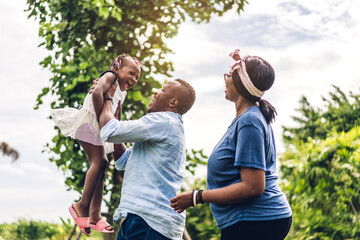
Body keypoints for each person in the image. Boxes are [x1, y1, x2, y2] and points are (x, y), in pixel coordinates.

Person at [170, 49, 292, 240]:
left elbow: (253, 187)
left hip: (255, 221)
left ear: (240, 82)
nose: (225, 80)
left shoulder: (249, 121)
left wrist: (197, 197)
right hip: (253, 221)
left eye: (228, 75)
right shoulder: (247, 119)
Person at [50, 54, 141, 236]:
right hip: (90, 123)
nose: (133, 79)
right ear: (117, 68)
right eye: (131, 73)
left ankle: (95, 215)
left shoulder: (121, 91)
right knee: (100, 163)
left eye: (137, 77)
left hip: (98, 127)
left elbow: (116, 114)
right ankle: (81, 206)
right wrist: (102, 121)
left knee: (100, 166)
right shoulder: (110, 76)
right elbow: (98, 93)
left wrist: (116, 130)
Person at [99, 79, 196, 240]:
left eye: (162, 90)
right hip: (140, 219)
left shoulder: (164, 121)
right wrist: (116, 116)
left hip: (149, 224)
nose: (155, 92)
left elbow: (109, 132)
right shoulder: (167, 126)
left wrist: (108, 98)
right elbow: (123, 161)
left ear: (173, 102)